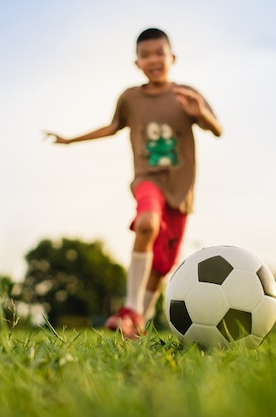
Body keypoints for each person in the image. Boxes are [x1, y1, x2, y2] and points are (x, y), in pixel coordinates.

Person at [43, 28, 222, 338]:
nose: (153, 59)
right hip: (147, 180)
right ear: (137, 62)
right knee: (147, 224)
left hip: (181, 189)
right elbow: (112, 127)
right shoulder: (130, 98)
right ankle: (130, 307)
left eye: (159, 53)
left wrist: (201, 113)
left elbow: (217, 129)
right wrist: (70, 140)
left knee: (162, 266)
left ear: (172, 58)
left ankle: (138, 320)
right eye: (145, 55)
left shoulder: (187, 94)